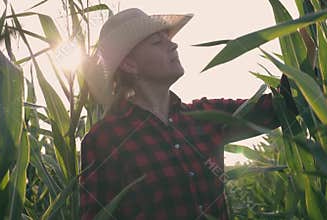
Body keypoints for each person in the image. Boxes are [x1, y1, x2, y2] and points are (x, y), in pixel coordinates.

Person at [80, 8, 294, 220]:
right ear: (129, 64)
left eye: (168, 38)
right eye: (157, 42)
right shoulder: (104, 139)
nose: (173, 44)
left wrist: (311, 35)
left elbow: (280, 107)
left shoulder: (206, 116)